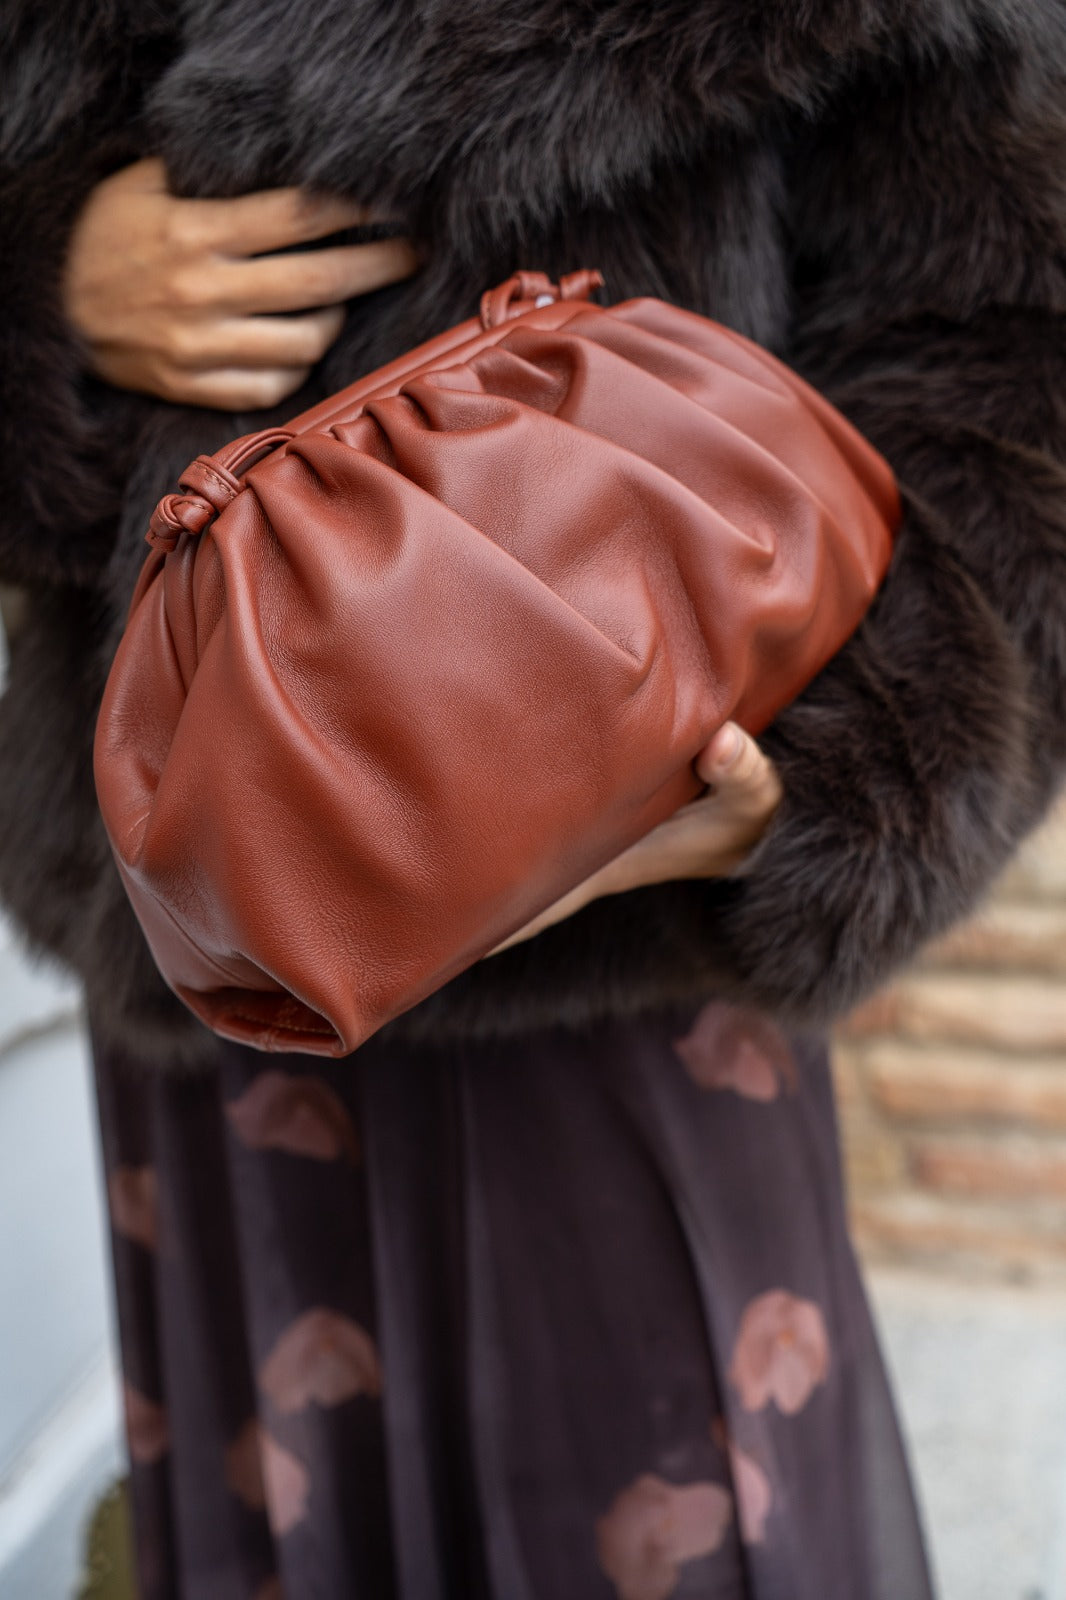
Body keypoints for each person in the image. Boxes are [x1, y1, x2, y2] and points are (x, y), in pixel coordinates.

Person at [1, 2, 1063, 1595]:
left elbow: (1008, 357)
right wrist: (43, 297)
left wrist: (846, 777)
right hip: (217, 929)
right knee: (287, 1521)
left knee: (661, 1502)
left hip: (631, 938)